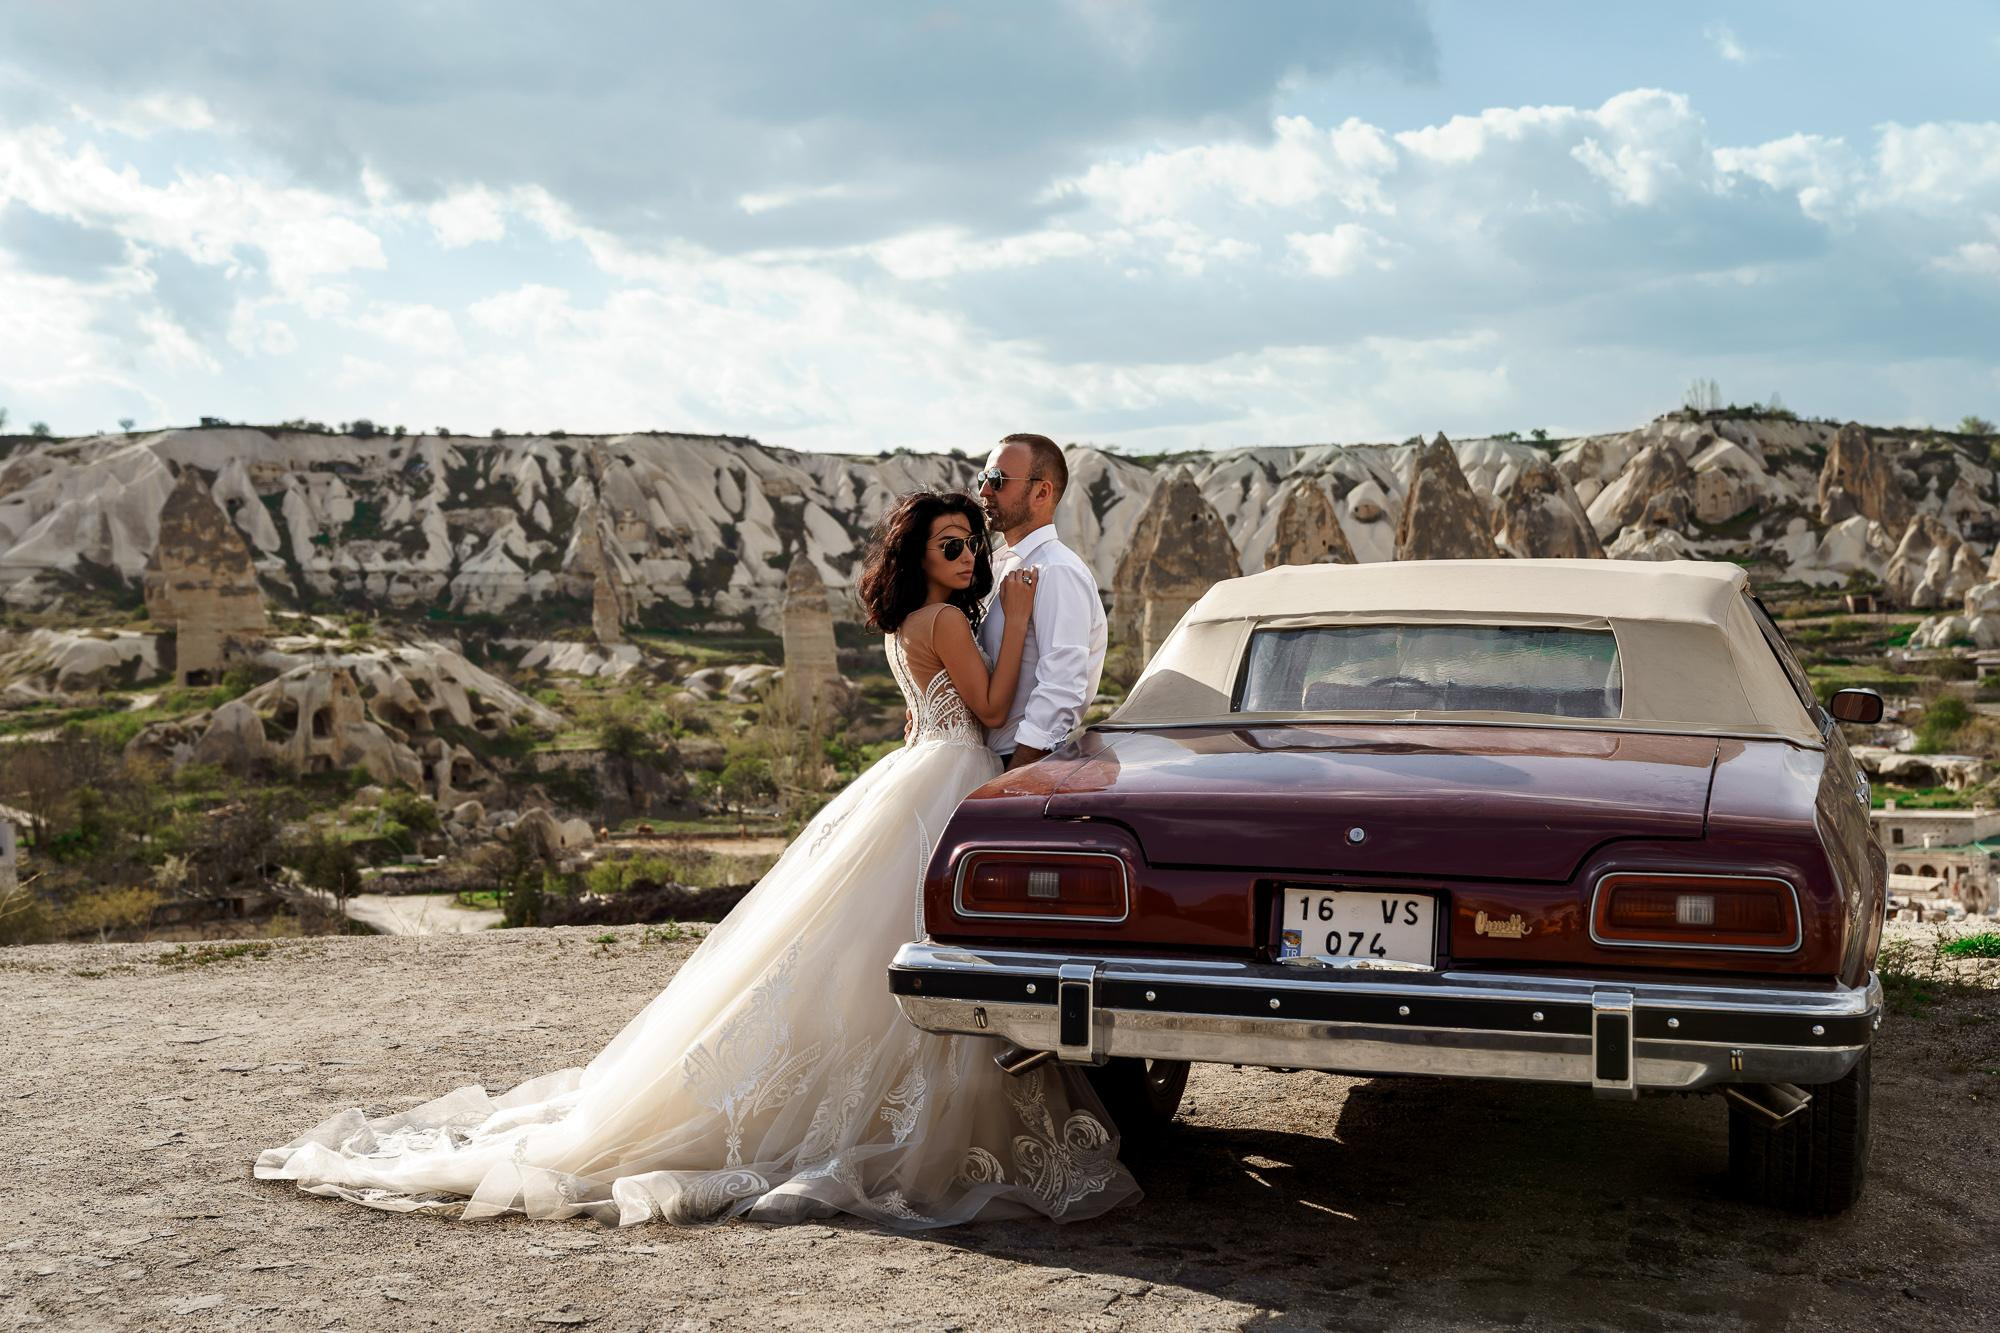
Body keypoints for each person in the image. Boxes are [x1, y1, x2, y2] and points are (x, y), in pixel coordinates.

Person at [255, 490, 1140, 1229]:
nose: (965, 554)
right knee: (920, 940)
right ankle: (910, 1114)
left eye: (970, 545)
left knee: (851, 953)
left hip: (916, 773)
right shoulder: (949, 618)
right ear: (923, 552)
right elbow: (987, 710)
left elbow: (921, 716)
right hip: (949, 777)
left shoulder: (907, 620)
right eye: (950, 544)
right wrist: (1017, 621)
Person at [974, 433, 1107, 769]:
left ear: (1042, 492)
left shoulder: (1057, 571)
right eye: (983, 478)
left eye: (997, 480)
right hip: (983, 759)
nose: (984, 492)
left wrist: (1018, 774)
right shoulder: (998, 564)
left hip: (1016, 761)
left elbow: (1062, 686)